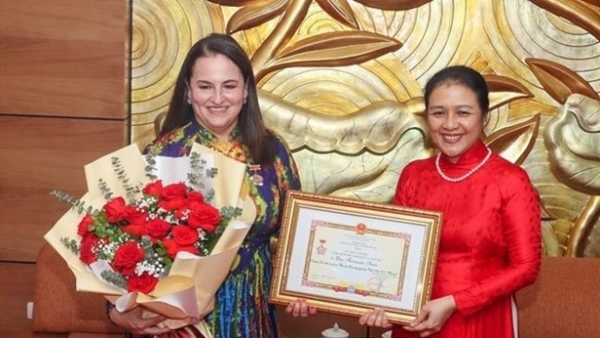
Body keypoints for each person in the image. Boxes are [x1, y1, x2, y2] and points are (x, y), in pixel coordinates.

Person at [108, 33, 314, 338]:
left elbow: (294, 234)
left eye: (229, 86)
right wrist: (116, 311)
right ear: (189, 92)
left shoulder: (273, 151)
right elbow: (123, 242)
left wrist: (300, 287)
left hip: (249, 306)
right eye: (206, 87)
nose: (218, 98)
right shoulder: (165, 152)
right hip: (175, 317)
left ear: (246, 91)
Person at [359, 65, 541, 337]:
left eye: (463, 113)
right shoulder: (414, 175)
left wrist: (456, 302)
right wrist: (384, 303)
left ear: (484, 118)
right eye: (438, 113)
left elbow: (526, 267)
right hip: (415, 319)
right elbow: (395, 257)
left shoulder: (511, 180)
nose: (450, 124)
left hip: (478, 319)